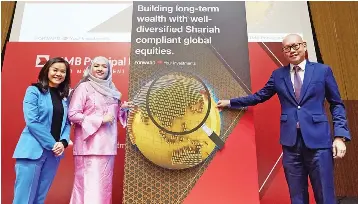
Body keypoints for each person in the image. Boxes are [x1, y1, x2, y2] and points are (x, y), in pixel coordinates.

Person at [217, 34, 350, 204]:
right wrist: (230, 102)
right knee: (297, 196)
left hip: (319, 143)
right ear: (284, 52)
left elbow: (337, 104)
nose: (292, 50)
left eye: (295, 46)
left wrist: (340, 136)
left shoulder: (323, 71)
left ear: (304, 46)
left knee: (325, 195)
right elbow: (259, 96)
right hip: (291, 145)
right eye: (287, 48)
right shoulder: (278, 75)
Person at [68, 56, 132, 204]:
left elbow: (113, 117)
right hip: (88, 147)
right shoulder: (84, 87)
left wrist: (123, 110)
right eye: (96, 66)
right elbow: (73, 114)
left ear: (109, 70)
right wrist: (99, 120)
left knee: (104, 188)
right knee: (88, 188)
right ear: (90, 68)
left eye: (104, 66)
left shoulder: (112, 90)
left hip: (108, 147)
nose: (100, 69)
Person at [12, 57, 72, 204]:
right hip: (32, 151)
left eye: (63, 71)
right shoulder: (34, 91)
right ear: (47, 71)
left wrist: (63, 142)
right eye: (55, 70)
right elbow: (32, 121)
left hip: (53, 155)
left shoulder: (64, 98)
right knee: (24, 199)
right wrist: (53, 144)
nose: (59, 74)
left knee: (39, 198)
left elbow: (67, 123)